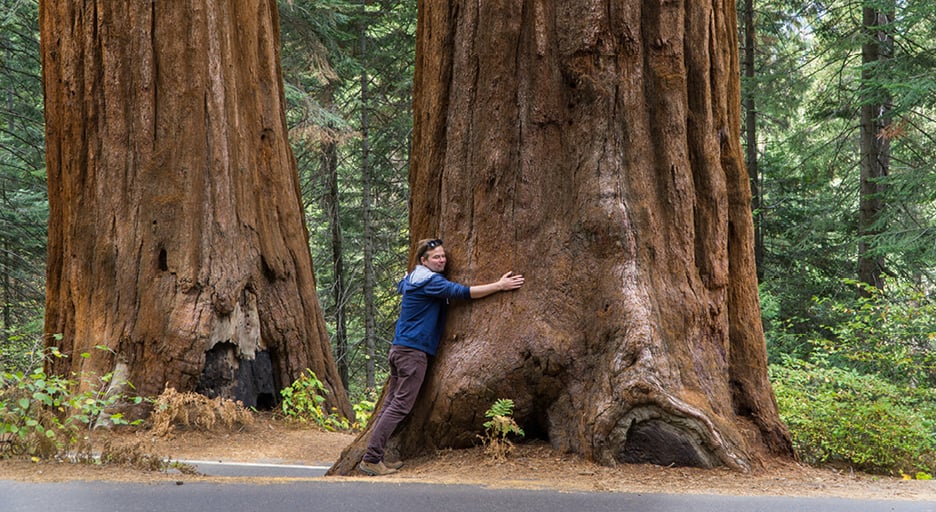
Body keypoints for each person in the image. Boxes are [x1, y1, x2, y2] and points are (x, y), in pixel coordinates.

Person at [359, 238, 525, 476]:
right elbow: (462, 292)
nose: (442, 260)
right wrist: (499, 285)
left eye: (443, 256)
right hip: (413, 352)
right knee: (399, 406)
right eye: (436, 257)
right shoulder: (430, 282)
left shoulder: (412, 278)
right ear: (423, 261)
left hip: (400, 349)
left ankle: (375, 456)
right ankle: (372, 458)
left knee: (390, 405)